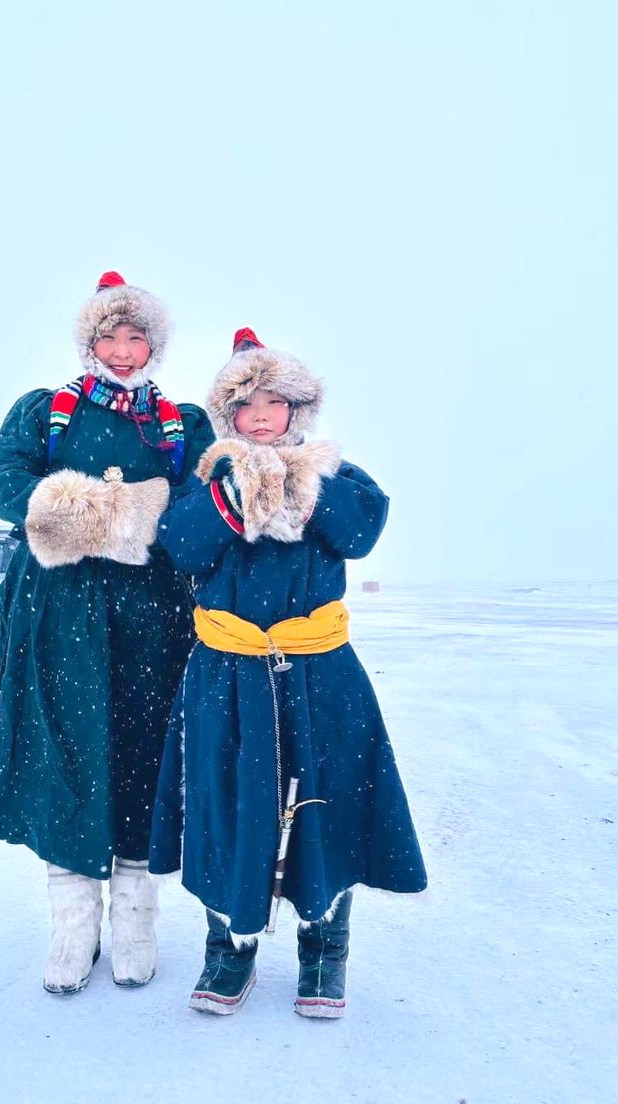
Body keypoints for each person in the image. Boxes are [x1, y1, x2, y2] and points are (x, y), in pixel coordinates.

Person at [149, 327, 427, 1018]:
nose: (263, 414)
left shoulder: (337, 474)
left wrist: (304, 481)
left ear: (299, 410)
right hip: (227, 674)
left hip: (319, 674)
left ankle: (324, 948)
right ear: (230, 417)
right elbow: (181, 548)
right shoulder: (209, 480)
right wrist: (237, 494)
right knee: (223, 803)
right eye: (247, 404)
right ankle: (229, 946)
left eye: (277, 401)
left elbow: (359, 535)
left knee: (325, 803)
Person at [0, 271, 214, 994]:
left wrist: (156, 511)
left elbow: (204, 505)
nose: (121, 349)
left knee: (144, 755)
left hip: (155, 619)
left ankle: (136, 924)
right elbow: (2, 484)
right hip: (58, 615)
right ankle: (73, 927)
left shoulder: (184, 423)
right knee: (68, 753)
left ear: (154, 345)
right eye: (108, 335)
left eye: (135, 335)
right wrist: (106, 514)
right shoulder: (43, 411)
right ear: (89, 341)